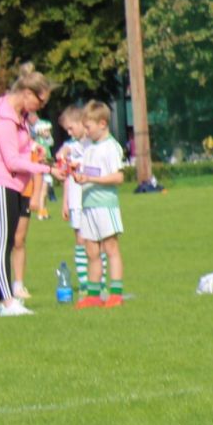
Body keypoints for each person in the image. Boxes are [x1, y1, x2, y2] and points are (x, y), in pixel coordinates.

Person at [0, 63, 53, 315]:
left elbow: (21, 147)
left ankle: (6, 300)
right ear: (28, 94)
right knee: (3, 241)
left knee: (8, 240)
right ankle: (5, 301)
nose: (39, 108)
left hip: (11, 183)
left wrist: (34, 148)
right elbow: (10, 160)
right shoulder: (4, 117)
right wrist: (48, 170)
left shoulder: (17, 115)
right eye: (40, 102)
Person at [72, 100, 126, 308]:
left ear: (102, 124)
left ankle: (116, 293)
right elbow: (89, 169)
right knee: (91, 251)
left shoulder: (111, 147)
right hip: (88, 204)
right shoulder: (90, 146)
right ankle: (93, 295)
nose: (86, 132)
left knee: (110, 248)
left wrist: (90, 180)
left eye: (88, 127)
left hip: (105, 204)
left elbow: (118, 177)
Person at [56, 105, 91, 299]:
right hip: (76, 201)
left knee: (94, 241)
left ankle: (97, 280)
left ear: (81, 122)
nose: (70, 133)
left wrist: (65, 149)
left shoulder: (88, 144)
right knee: (79, 240)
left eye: (71, 128)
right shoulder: (74, 144)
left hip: (91, 199)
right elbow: (68, 176)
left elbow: (70, 148)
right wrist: (65, 202)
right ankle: (84, 282)